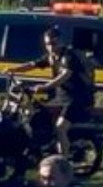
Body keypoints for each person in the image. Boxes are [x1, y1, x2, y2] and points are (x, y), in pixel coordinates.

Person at [22, 26, 94, 159]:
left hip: (77, 98)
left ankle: (64, 161)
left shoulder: (69, 56)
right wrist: (11, 70)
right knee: (38, 113)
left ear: (61, 41)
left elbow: (65, 76)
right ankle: (48, 147)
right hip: (61, 97)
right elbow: (32, 64)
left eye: (53, 43)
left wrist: (45, 87)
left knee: (60, 127)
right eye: (47, 44)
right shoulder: (52, 57)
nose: (50, 47)